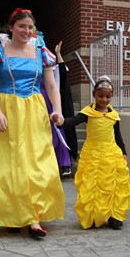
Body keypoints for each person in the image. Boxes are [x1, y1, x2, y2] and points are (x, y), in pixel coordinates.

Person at [0, 7, 65, 238]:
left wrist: (57, 110)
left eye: (30, 27)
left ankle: (33, 217)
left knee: (36, 165)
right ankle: (16, 214)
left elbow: (52, 86)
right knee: (7, 166)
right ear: (11, 27)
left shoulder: (41, 53)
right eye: (21, 26)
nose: (26, 31)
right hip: (7, 110)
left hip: (35, 112)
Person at [54, 75, 130, 230]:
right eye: (101, 96)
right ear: (94, 95)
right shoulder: (87, 113)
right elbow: (74, 121)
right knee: (93, 186)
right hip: (93, 154)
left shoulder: (114, 116)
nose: (104, 99)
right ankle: (91, 215)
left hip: (112, 154)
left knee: (113, 186)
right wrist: (61, 122)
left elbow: (118, 135)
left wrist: (124, 152)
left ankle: (114, 216)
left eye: (108, 96)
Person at [40, 40, 77, 176]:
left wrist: (58, 54)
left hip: (49, 102)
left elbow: (61, 75)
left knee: (56, 132)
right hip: (32, 101)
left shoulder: (48, 64)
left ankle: (60, 163)